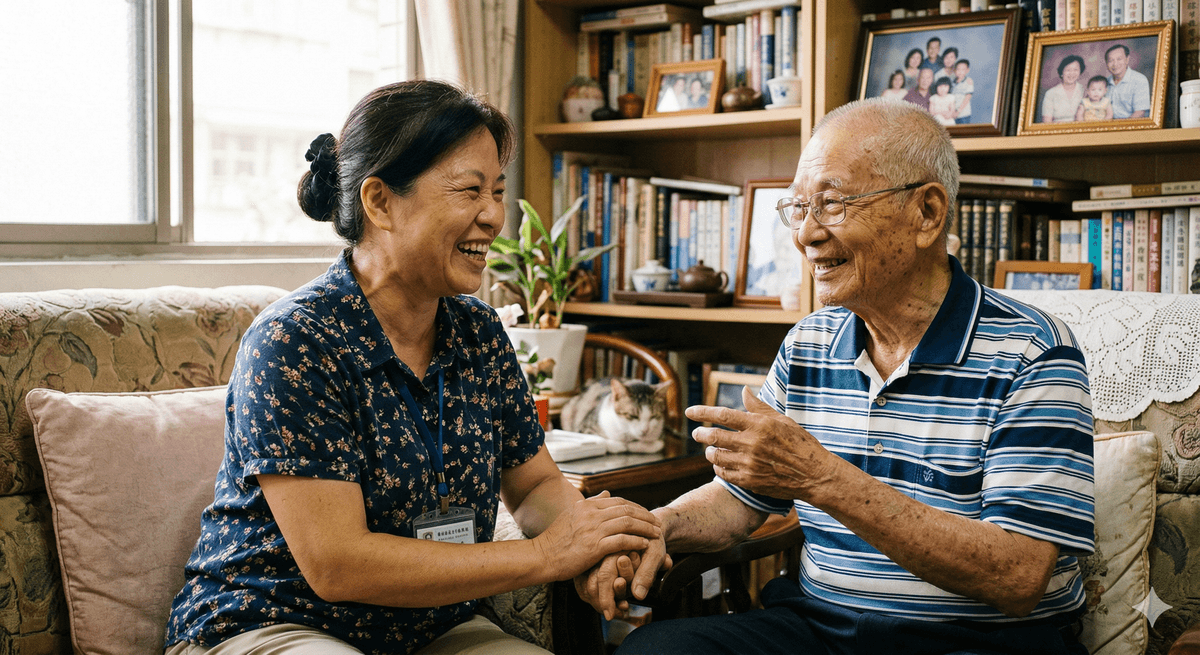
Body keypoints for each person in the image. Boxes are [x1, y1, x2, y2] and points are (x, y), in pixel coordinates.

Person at [578, 99, 1096, 655]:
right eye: (798, 207)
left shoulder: (1034, 352)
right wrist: (656, 526)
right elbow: (739, 499)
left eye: (831, 204)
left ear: (926, 214)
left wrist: (821, 477)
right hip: (821, 629)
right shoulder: (810, 342)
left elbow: (1018, 576)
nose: (806, 234)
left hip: (981, 642)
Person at [163, 80, 662, 655]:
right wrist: (546, 556)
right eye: (470, 190)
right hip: (275, 619)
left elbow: (534, 486)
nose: (494, 216)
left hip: (430, 627)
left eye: (498, 191)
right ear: (380, 202)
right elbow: (337, 564)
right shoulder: (295, 341)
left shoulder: (480, 333)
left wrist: (598, 545)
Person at [1105, 44, 1150, 119]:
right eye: (1111, 60)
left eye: (1119, 59)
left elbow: (1140, 113)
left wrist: (1121, 126)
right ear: (1106, 63)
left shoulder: (1139, 80)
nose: (1115, 64)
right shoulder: (1105, 82)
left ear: (1127, 59)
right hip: (1108, 124)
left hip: (1132, 124)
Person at [1041, 54, 1086, 123]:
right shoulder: (1050, 93)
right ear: (1061, 72)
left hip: (1080, 127)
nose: (1072, 73)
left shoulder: (1084, 90)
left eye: (1075, 70)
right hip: (1057, 128)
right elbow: (1047, 121)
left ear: (1080, 72)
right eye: (1068, 70)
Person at [952, 59, 974, 124]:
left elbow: (967, 97)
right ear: (954, 70)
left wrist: (958, 111)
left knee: (964, 129)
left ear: (967, 70)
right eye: (958, 69)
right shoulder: (953, 82)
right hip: (953, 114)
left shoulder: (968, 81)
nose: (960, 72)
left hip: (964, 114)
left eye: (963, 70)